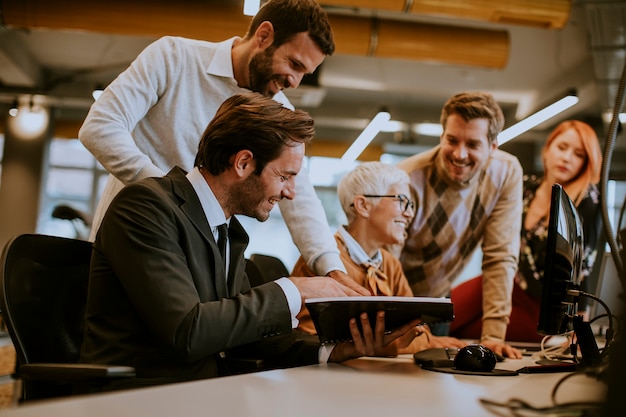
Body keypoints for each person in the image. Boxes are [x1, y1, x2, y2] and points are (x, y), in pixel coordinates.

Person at [79, 93, 420, 391]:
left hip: (202, 397)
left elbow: (243, 338)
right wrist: (295, 290)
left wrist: (334, 350)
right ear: (243, 163)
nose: (289, 192)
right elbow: (187, 331)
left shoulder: (228, 231)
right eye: (284, 176)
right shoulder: (146, 206)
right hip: (139, 399)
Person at [78, 0, 367, 295]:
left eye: (305, 72)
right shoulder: (175, 57)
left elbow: (300, 197)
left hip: (200, 259)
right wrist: (170, 199)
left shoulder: (277, 108)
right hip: (132, 236)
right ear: (264, 35)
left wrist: (333, 270)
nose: (294, 81)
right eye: (293, 64)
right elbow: (100, 127)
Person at [397, 91, 524, 359]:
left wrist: (492, 337)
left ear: (493, 147)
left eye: (473, 145)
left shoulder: (506, 173)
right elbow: (387, 262)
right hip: (394, 303)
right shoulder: (408, 179)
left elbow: (500, 257)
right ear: (441, 136)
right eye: (451, 140)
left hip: (438, 302)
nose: (460, 154)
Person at [450, 120, 603, 343]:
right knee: (443, 315)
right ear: (548, 148)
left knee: (463, 332)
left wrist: (579, 332)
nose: (567, 158)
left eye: (578, 154)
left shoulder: (585, 201)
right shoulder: (525, 187)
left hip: (541, 308)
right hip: (509, 285)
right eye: (562, 147)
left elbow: (582, 271)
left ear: (586, 162)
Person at [291, 161, 467, 353]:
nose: (409, 213)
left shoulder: (389, 264)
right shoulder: (321, 263)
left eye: (411, 205)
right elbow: (311, 339)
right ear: (363, 205)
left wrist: (387, 343)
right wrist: (396, 342)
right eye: (401, 201)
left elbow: (421, 333)